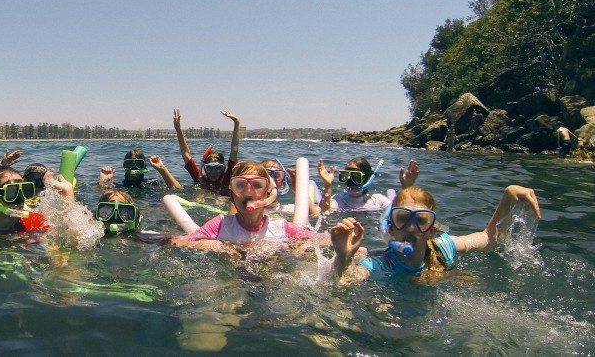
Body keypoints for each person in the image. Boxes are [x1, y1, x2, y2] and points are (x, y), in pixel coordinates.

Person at [329, 184, 541, 282]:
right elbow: (343, 283)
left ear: (431, 230)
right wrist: (343, 256)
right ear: (391, 228)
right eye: (402, 218)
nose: (411, 227)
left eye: (421, 220)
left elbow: (489, 238)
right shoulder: (380, 265)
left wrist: (508, 195)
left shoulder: (444, 247)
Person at [167, 162, 331, 253]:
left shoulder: (282, 227)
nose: (248, 190)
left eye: (257, 185)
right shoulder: (220, 224)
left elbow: (322, 240)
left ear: (268, 194)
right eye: (240, 185)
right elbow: (184, 241)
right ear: (232, 193)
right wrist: (215, 246)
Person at [172, 109, 241, 196]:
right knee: (200, 197)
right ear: (204, 168)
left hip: (222, 203)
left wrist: (237, 122)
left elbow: (234, 150)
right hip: (203, 203)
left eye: (218, 168)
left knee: (220, 200)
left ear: (224, 168)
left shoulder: (226, 178)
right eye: (210, 168)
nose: (214, 172)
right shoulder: (199, 176)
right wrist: (178, 129)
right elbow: (186, 153)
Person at [317, 158, 419, 212]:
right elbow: (324, 211)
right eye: (345, 176)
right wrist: (327, 185)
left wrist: (406, 187)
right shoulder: (339, 200)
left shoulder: (378, 200)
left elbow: (399, 213)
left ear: (367, 178)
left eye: (356, 177)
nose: (350, 182)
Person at [97, 149, 183, 192]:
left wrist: (162, 170)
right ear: (125, 166)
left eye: (139, 164)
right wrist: (103, 181)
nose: (134, 167)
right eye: (130, 164)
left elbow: (178, 190)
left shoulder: (154, 183)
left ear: (144, 167)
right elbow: (102, 195)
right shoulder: (118, 186)